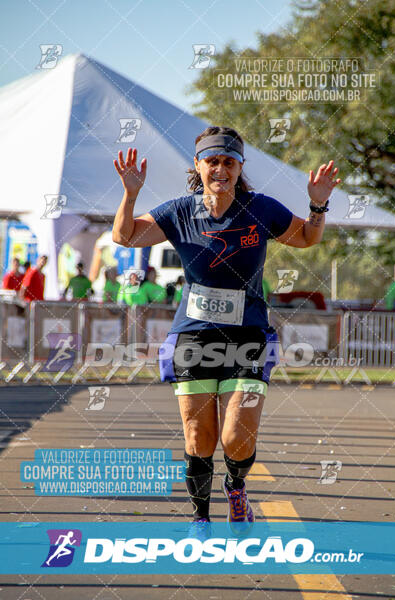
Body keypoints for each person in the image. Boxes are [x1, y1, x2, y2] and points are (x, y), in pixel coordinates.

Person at [111, 126, 340, 536]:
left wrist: (317, 204)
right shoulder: (179, 212)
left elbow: (306, 237)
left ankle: (236, 485)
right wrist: (130, 194)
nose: (220, 169)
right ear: (198, 166)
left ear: (239, 167)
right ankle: (200, 515)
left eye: (228, 162)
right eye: (212, 161)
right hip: (195, 337)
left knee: (236, 435)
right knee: (199, 437)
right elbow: (124, 236)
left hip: (248, 336)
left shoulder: (260, 209)